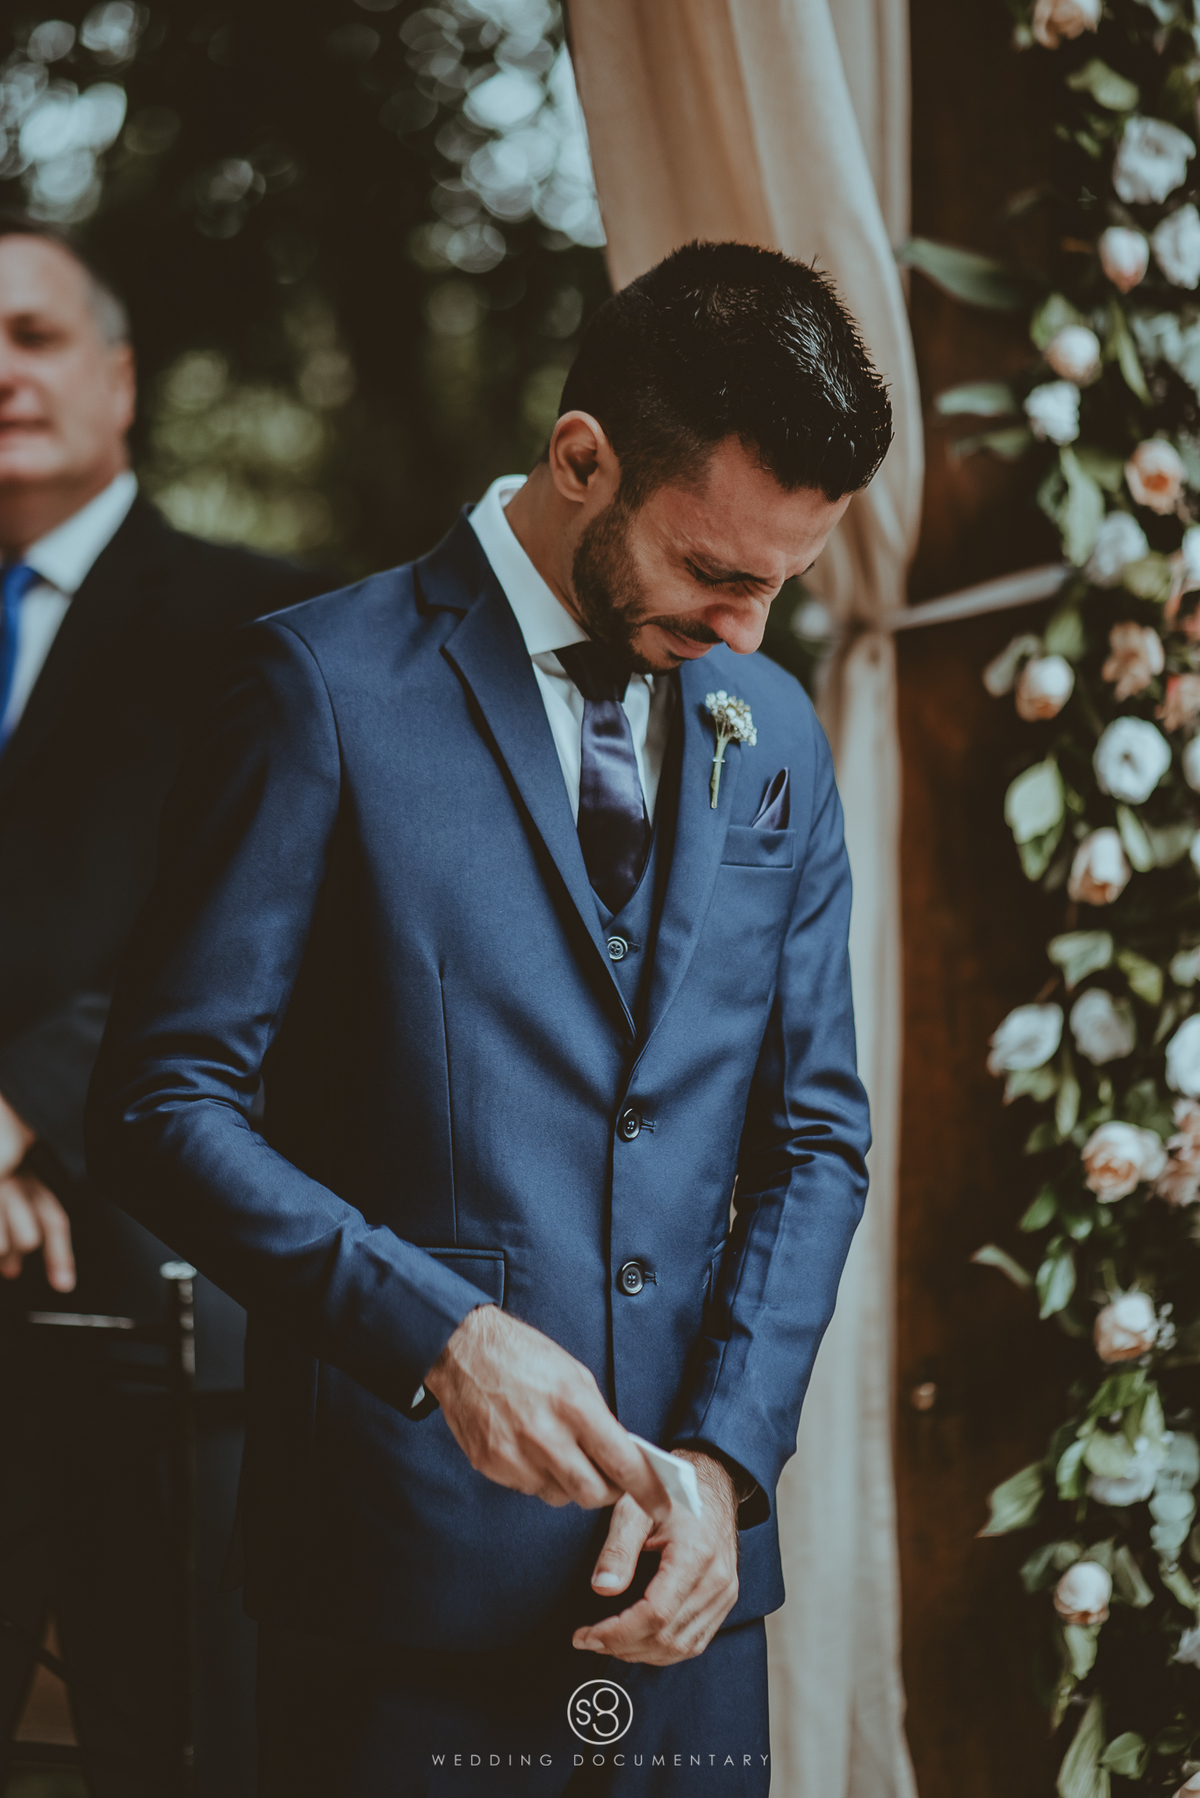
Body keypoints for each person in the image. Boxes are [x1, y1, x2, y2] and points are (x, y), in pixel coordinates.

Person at [86, 240, 892, 1796]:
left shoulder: (773, 727)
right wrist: (438, 1338)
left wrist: (725, 1466)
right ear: (581, 458)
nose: (748, 633)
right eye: (716, 571)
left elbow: (816, 1136)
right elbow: (163, 1098)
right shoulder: (317, 686)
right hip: (398, 1591)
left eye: (781, 586)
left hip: (690, 1598)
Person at [0, 214, 325, 1797]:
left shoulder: (260, 630)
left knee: (170, 1753)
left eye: (35, 335)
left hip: (142, 1298)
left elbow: (262, 928)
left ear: (118, 379)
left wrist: (19, 1115)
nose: (0, 371)